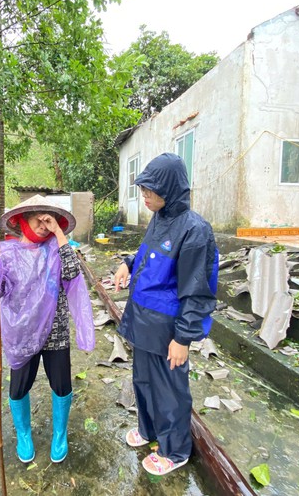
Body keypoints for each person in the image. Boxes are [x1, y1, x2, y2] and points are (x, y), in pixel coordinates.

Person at [0, 195, 95, 464]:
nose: (41, 222)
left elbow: (73, 274)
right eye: (35, 216)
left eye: (47, 217)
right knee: (18, 387)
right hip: (22, 333)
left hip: (55, 331)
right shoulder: (8, 253)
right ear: (21, 220)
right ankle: (24, 434)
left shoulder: (58, 249)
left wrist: (59, 233)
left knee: (61, 385)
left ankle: (59, 434)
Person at [113, 153, 219, 476]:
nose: (144, 196)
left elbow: (197, 291)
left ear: (169, 189)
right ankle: (149, 431)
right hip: (143, 323)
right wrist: (128, 263)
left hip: (168, 330)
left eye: (149, 190)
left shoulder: (194, 231)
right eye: (142, 190)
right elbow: (149, 255)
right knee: (142, 381)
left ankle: (175, 450)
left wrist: (183, 338)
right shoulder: (158, 218)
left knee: (170, 391)